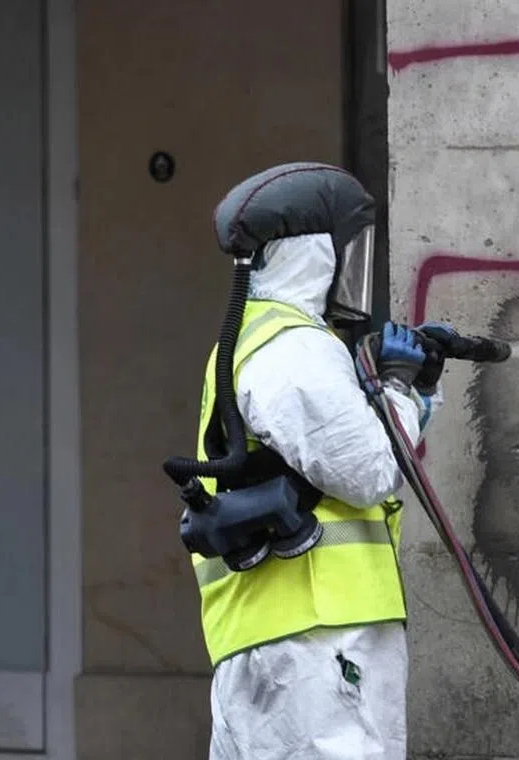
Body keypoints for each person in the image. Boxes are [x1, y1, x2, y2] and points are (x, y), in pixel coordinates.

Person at [186, 163, 448, 759]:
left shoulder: (256, 338)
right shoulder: (293, 348)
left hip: (276, 640)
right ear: (312, 252)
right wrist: (400, 388)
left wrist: (415, 395)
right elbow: (369, 470)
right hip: (318, 643)